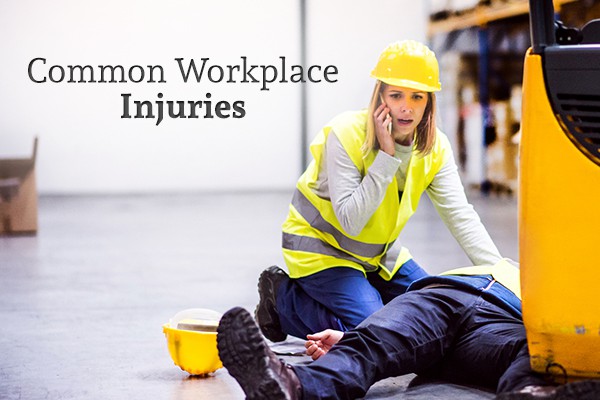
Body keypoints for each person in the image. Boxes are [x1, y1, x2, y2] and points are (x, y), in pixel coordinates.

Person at [255, 39, 504, 343]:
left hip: (378, 255)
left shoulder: (435, 146)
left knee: (436, 311)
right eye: (396, 94)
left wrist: (499, 273)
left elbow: (460, 214)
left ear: (429, 103)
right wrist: (386, 157)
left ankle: (372, 304)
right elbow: (351, 220)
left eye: (417, 97)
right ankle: (283, 301)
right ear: (380, 95)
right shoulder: (346, 133)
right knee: (379, 334)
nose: (406, 107)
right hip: (322, 251)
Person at [217, 259, 600, 400]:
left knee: (536, 352)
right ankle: (289, 386)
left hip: (503, 320)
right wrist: (351, 336)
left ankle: (529, 393)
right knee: (371, 342)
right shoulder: (507, 262)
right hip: (445, 294)